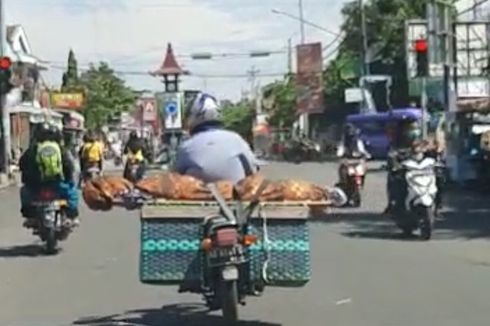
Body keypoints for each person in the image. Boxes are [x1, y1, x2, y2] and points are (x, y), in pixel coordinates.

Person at [174, 92, 259, 185]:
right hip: (236, 196)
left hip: (198, 195)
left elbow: (175, 177)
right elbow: (253, 171)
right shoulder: (237, 139)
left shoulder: (186, 146)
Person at [19, 123, 80, 227]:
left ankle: (31, 217)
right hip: (59, 184)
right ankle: (71, 217)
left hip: (36, 186)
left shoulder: (32, 150)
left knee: (24, 192)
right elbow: (70, 166)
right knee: (73, 193)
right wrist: (69, 179)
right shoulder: (61, 150)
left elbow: (22, 164)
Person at [385, 120, 423, 214]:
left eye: (415, 128)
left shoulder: (420, 140)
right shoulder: (397, 141)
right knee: (393, 180)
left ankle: (437, 204)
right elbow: (391, 154)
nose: (413, 130)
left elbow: (427, 151)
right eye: (410, 128)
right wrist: (394, 164)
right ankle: (392, 203)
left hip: (419, 171)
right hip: (404, 170)